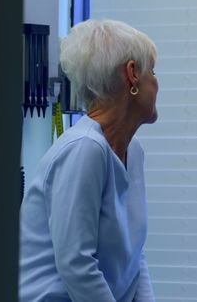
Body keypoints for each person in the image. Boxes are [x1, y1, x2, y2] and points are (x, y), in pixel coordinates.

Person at [19, 19, 159, 302]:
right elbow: (77, 264)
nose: (156, 83)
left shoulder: (134, 151)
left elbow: (134, 257)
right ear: (132, 74)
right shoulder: (85, 149)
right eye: (152, 71)